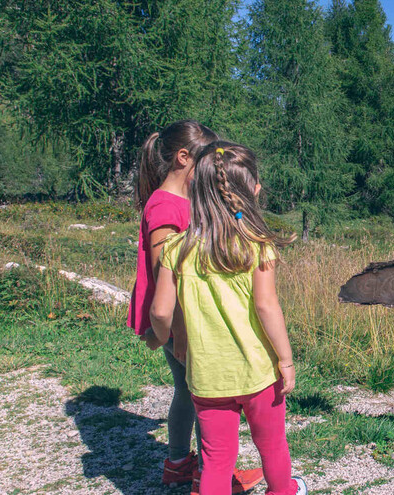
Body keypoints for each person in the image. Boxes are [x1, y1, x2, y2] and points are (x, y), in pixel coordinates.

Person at [149, 142, 306, 495]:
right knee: (273, 446)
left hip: (206, 377)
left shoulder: (176, 250)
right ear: (250, 192)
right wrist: (285, 359)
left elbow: (160, 311)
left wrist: (168, 342)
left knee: (217, 458)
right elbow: (267, 307)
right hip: (258, 373)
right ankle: (283, 491)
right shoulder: (256, 245)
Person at [128, 121, 263, 493]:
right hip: (180, 322)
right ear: (184, 158)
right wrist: (176, 335)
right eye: (203, 161)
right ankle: (210, 474)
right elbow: (165, 280)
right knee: (210, 394)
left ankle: (177, 464)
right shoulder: (166, 208)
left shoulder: (176, 202)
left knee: (187, 392)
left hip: (179, 322)